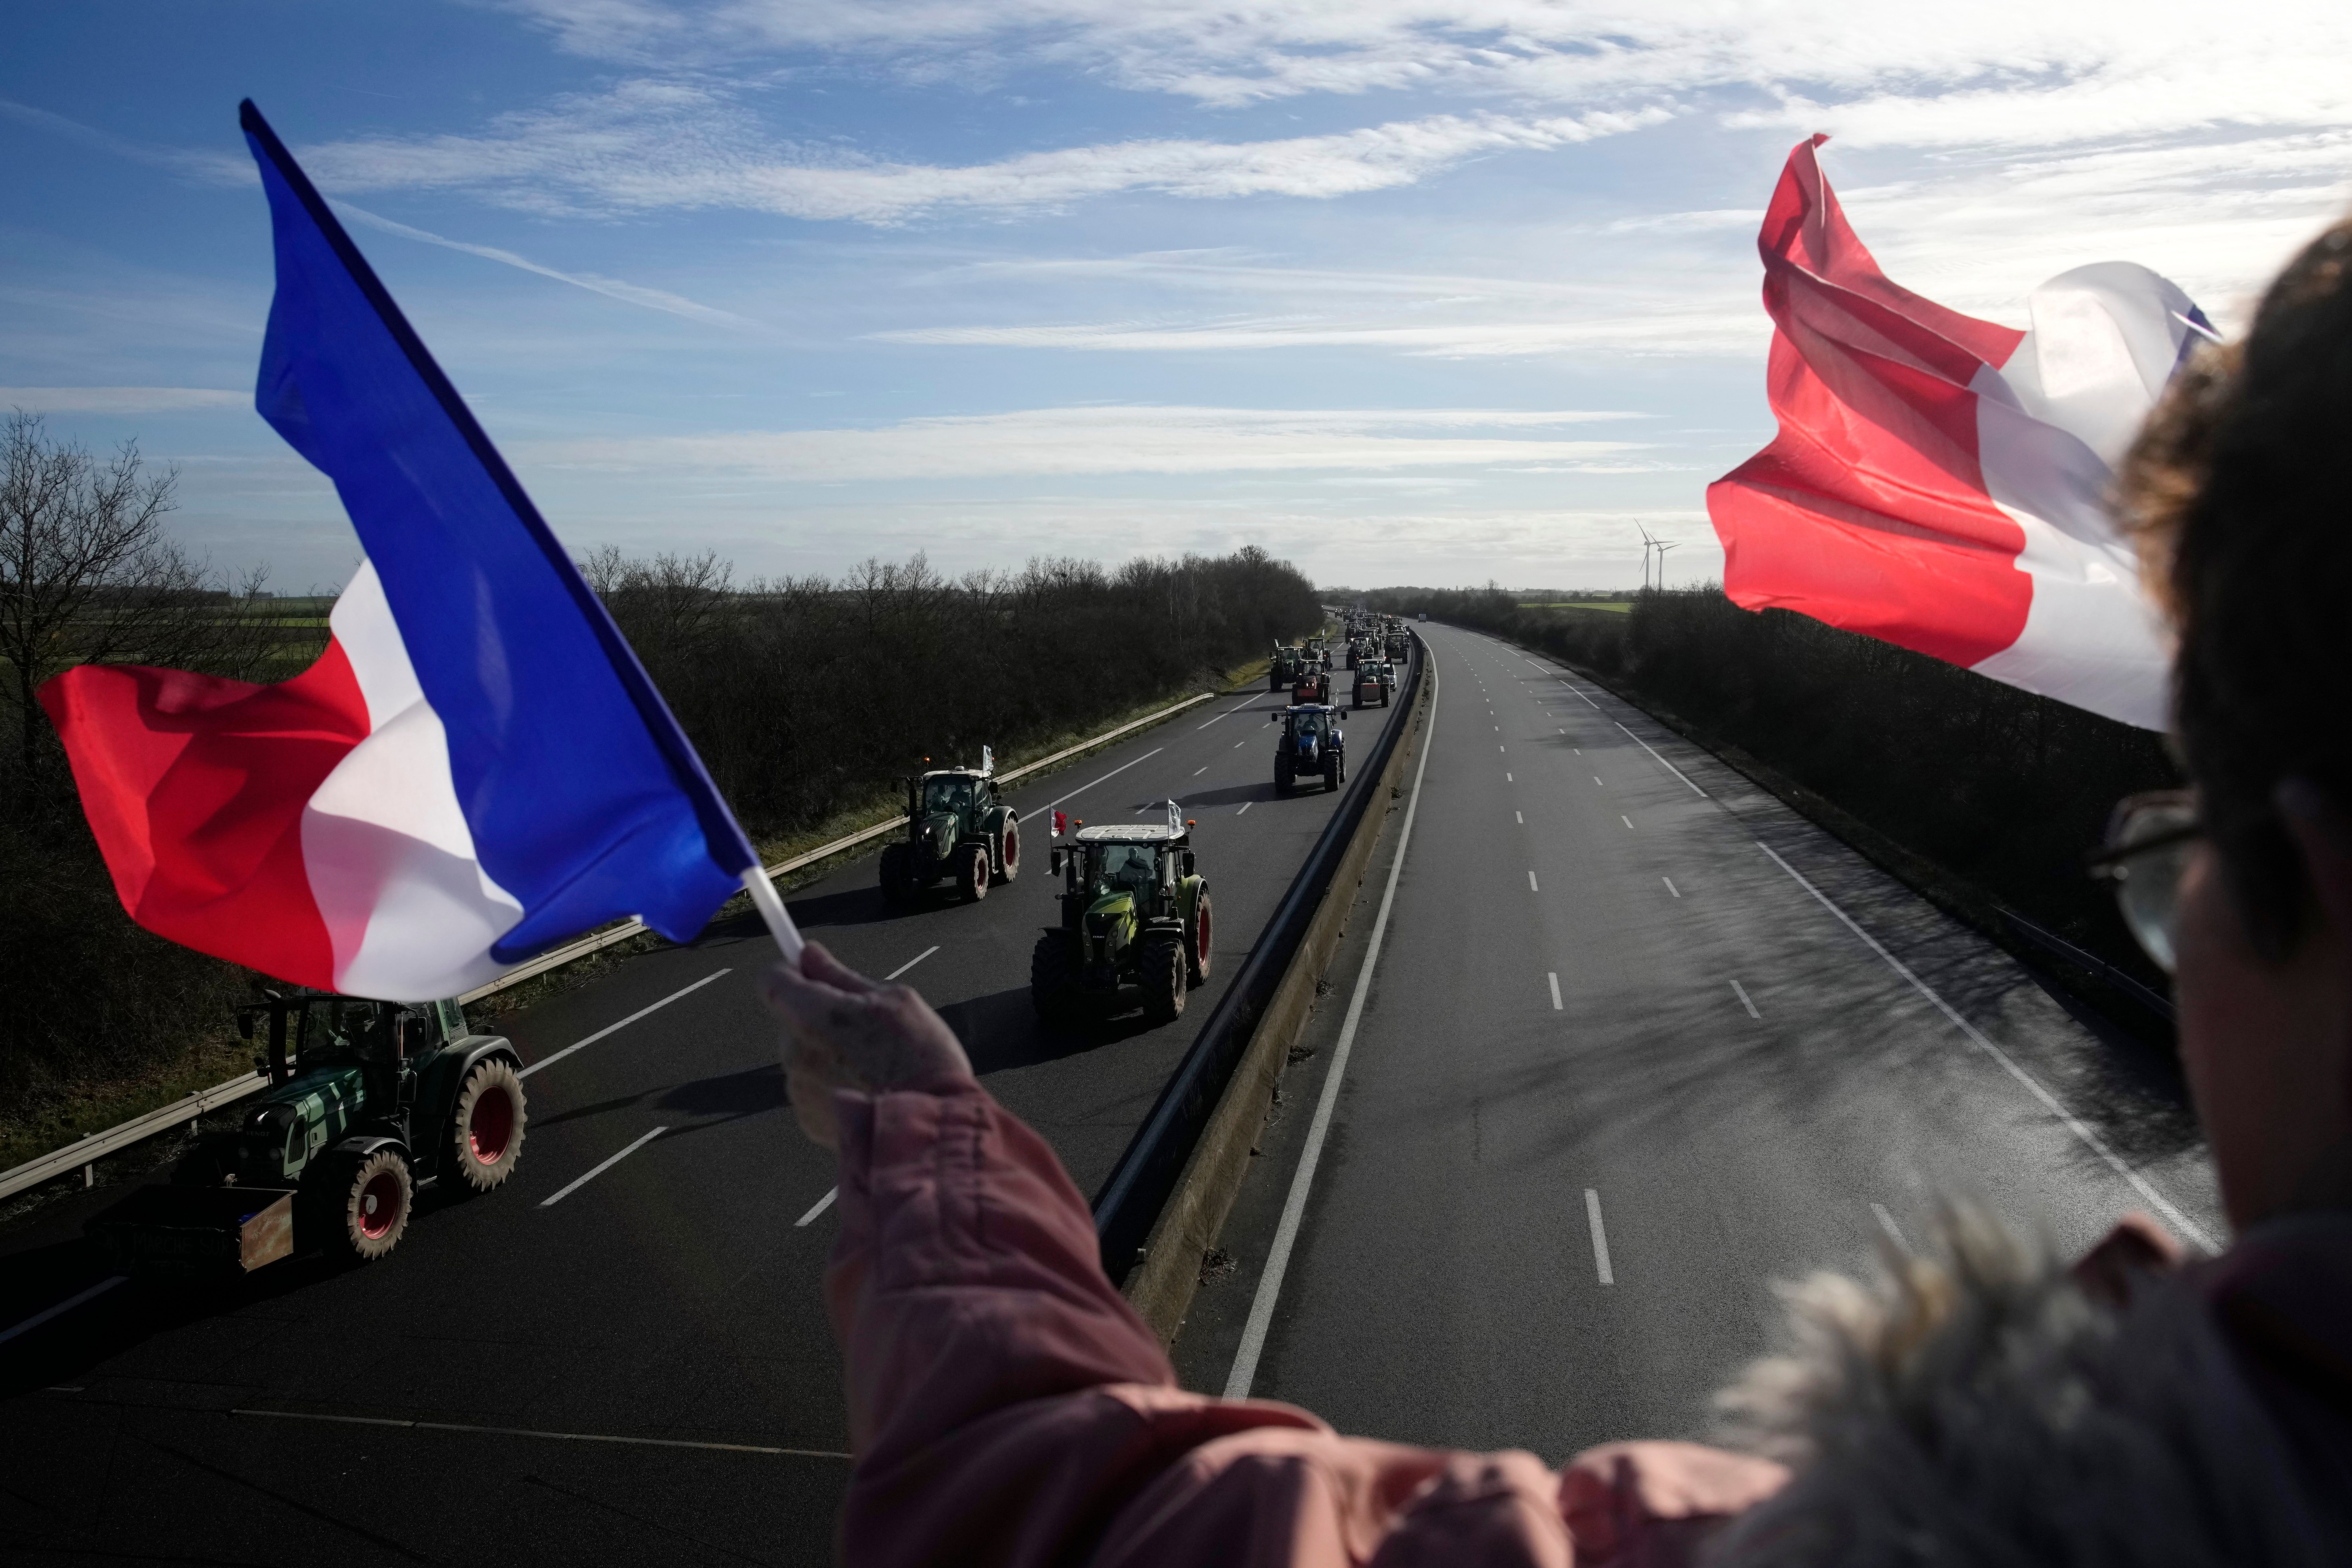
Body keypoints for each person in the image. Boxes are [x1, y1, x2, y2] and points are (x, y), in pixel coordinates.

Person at [760, 221, 2352, 1566]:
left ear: (2312, 886)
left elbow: (1101, 1517)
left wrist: (932, 1147)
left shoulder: (2018, 1515)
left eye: (2182, 862)